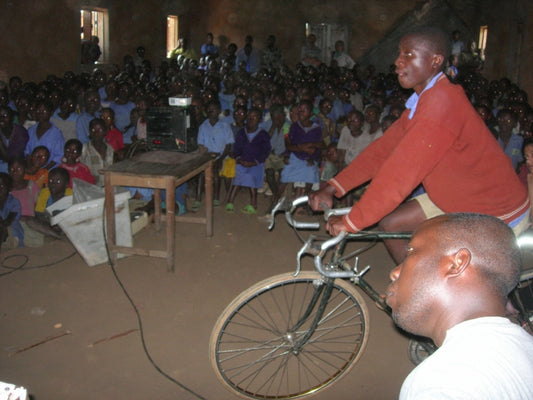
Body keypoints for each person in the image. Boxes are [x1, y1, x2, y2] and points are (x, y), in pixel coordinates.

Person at [309, 27, 529, 263]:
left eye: (408, 55)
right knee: (392, 223)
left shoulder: (440, 105)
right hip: (456, 196)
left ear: (435, 61)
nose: (397, 62)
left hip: (492, 212)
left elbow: (400, 174)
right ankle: (413, 289)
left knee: (464, 287)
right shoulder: (429, 97)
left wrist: (352, 221)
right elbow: (385, 149)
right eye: (399, 53)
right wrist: (334, 187)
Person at [386, 213, 533, 399]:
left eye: (411, 252)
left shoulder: (441, 383)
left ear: (457, 264)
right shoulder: (526, 348)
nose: (395, 272)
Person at [225, 108, 271, 214]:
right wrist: (239, 159)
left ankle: (253, 204)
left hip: (255, 163)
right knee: (238, 177)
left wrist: (254, 162)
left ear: (260, 120)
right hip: (242, 161)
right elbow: (237, 149)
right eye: (249, 116)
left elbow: (265, 151)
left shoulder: (263, 134)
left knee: (251, 180)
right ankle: (230, 201)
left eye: (255, 117)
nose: (251, 119)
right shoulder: (242, 133)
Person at [194, 101, 234, 210]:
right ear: (206, 112)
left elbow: (228, 145)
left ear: (219, 111)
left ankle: (216, 197)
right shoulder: (203, 127)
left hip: (222, 156)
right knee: (201, 173)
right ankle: (197, 198)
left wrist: (220, 158)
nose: (212, 112)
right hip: (207, 156)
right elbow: (201, 144)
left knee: (216, 172)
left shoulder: (225, 126)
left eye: (214, 109)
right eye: (209, 110)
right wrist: (207, 156)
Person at [80, 118, 114, 186]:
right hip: (91, 188)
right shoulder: (85, 149)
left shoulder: (110, 149)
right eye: (93, 130)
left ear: (105, 131)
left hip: (108, 187)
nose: (96, 133)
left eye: (100, 130)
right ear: (89, 132)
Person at [0, 105, 29, 173]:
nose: (1, 118)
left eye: (5, 115)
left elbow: (10, 159)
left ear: (12, 118)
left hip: (15, 169)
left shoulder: (21, 132)